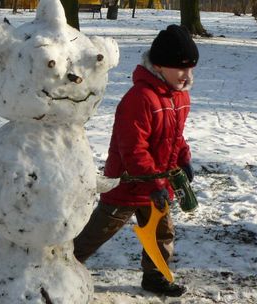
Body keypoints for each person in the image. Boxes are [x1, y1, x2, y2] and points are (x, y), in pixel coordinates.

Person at [74, 24, 198, 297]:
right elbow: (132, 148)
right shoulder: (139, 99)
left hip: (159, 184)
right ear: (159, 65)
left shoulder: (180, 97)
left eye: (191, 68)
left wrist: (184, 158)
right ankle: (63, 263)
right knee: (99, 231)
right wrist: (151, 182)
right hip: (128, 184)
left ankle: (155, 278)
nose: (187, 75)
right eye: (180, 68)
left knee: (162, 234)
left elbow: (175, 136)